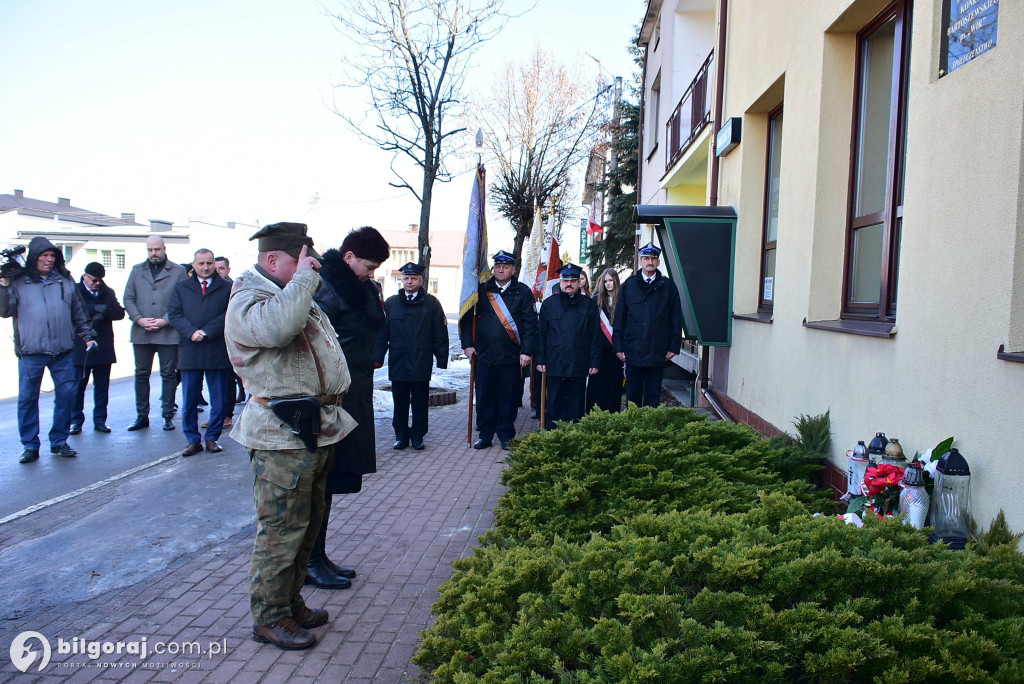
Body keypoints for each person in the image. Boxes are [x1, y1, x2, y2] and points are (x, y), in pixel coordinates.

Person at [224, 222, 355, 650]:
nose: (312, 268)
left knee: (307, 526)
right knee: (282, 531)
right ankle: (268, 617)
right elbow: (277, 329)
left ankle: (290, 602)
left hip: (311, 429)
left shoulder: (291, 293)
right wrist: (302, 279)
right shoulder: (250, 297)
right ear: (273, 259)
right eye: (302, 260)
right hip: (280, 436)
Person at [310, 226, 389, 589]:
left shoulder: (356, 288)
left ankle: (319, 556)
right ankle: (310, 562)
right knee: (320, 480)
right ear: (349, 257)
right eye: (369, 266)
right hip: (330, 397)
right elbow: (317, 346)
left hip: (352, 392)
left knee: (333, 478)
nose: (371, 274)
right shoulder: (325, 289)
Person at [0, 237, 97, 463]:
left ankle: (59, 441)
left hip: (62, 350)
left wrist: (89, 336)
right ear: (34, 257)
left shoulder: (64, 281)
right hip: (31, 352)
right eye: (44, 255)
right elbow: (4, 311)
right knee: (27, 399)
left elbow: (79, 313)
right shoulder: (18, 282)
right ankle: (30, 445)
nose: (49, 259)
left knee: (66, 396)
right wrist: (3, 285)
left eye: (52, 256)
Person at [459, 250, 537, 450]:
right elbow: (467, 320)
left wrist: (526, 351)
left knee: (508, 398)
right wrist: (467, 344)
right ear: (493, 268)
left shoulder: (523, 292)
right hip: (484, 355)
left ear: (513, 269)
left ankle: (506, 435)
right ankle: (485, 435)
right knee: (485, 397)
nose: (501, 270)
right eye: (498, 266)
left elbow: (530, 324)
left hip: (511, 356)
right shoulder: (481, 291)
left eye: (506, 267)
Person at [375, 262, 449, 450]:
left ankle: (418, 436)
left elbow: (439, 332)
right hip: (398, 361)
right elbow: (382, 333)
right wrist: (378, 356)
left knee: (420, 402)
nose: (409, 282)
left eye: (413, 278)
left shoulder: (432, 304)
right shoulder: (391, 303)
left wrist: (441, 359)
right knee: (399, 402)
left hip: (421, 361)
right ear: (402, 280)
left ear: (421, 281)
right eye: (406, 278)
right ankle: (400, 435)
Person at [167, 249, 232, 457]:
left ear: (215, 264)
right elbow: (174, 313)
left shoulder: (227, 288)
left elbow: (229, 314)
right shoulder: (181, 288)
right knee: (189, 401)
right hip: (190, 349)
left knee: (219, 401)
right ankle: (193, 440)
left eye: (209, 263)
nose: (205, 267)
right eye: (201, 263)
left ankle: (212, 438)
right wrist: (191, 332)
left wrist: (207, 331)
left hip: (216, 349)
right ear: (193, 265)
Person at [123, 235, 187, 432]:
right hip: (142, 333)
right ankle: (141, 416)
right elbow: (128, 298)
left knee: (168, 375)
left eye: (157, 249)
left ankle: (168, 415)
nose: (154, 254)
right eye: (150, 250)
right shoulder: (136, 270)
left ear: (164, 248)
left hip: (168, 333)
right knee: (141, 375)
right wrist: (139, 319)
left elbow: (183, 298)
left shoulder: (178, 271)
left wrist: (165, 320)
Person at [613, 243, 683, 407]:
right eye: (646, 258)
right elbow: (619, 319)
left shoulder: (668, 287)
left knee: (653, 396)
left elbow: (675, 318)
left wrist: (674, 346)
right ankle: (634, 430)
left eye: (653, 258)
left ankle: (651, 431)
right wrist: (618, 346)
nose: (649, 262)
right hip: (633, 350)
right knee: (633, 397)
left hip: (657, 350)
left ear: (658, 262)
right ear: (640, 261)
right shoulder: (628, 286)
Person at [536, 264, 600, 428]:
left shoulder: (589, 306)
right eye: (565, 280)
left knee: (576, 404)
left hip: (578, 363)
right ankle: (552, 437)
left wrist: (594, 362)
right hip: (555, 363)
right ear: (560, 282)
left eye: (573, 280)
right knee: (554, 403)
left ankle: (574, 437)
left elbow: (594, 337)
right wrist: (540, 359)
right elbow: (541, 334)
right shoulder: (549, 305)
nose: (569, 284)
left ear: (579, 282)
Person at [71, 262, 125, 434]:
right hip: (82, 346)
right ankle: (76, 420)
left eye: (100, 280)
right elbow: (71, 310)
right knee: (78, 387)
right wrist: (93, 308)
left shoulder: (107, 292)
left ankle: (100, 420)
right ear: (85, 276)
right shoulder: (75, 290)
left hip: (103, 346)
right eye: (94, 280)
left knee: (102, 387)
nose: (97, 283)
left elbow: (120, 312)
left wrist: (106, 311)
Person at [586, 267, 624, 413]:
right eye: (606, 281)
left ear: (616, 281)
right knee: (597, 387)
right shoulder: (595, 300)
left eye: (611, 280)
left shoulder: (622, 299)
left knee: (613, 387)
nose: (608, 284)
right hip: (599, 352)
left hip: (615, 352)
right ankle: (593, 417)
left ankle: (612, 416)